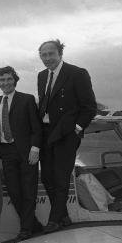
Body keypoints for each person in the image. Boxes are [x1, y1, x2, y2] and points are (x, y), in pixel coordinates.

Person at [37, 40, 97, 232]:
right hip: (47, 133)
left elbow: (89, 107)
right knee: (47, 177)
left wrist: (77, 129)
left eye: (51, 54)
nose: (47, 59)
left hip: (66, 133)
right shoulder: (41, 76)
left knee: (61, 178)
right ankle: (63, 216)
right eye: (43, 55)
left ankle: (54, 221)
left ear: (60, 53)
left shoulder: (77, 73)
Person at [0, 66, 42, 240]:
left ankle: (26, 229)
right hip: (5, 152)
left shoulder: (27, 100)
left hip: (26, 152)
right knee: (14, 192)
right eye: (2, 80)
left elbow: (37, 128)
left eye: (9, 79)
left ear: (15, 80)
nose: (5, 83)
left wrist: (35, 149)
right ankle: (34, 225)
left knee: (28, 191)